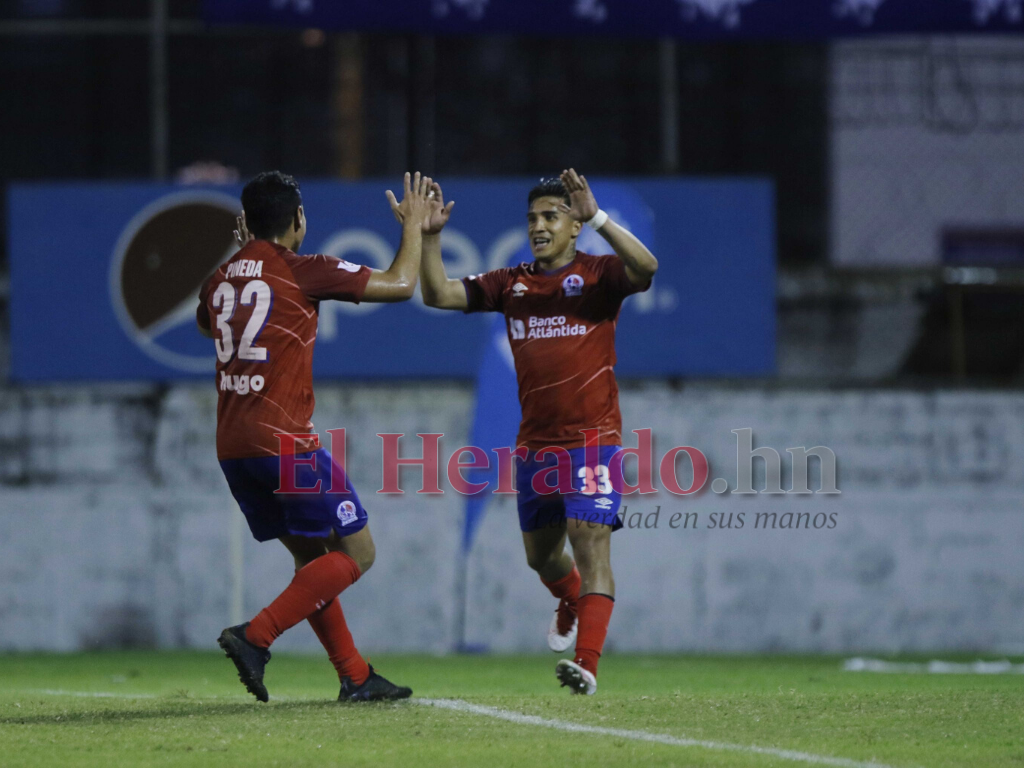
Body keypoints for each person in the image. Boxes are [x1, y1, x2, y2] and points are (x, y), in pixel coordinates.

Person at [412, 169, 658, 695]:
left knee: (589, 543)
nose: (539, 226)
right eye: (532, 219)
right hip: (536, 448)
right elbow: (437, 295)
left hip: (593, 439)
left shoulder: (599, 276)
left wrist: (600, 218)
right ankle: (568, 598)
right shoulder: (511, 283)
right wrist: (430, 237)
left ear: (574, 225)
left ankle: (587, 664)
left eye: (551, 216)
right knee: (541, 557)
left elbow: (647, 267)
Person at [196, 170, 433, 702]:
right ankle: (255, 637)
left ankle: (354, 675)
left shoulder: (221, 279)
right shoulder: (305, 270)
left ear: (247, 222)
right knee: (358, 552)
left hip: (233, 448)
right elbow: (400, 285)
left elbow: (207, 324)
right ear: (298, 220)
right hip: (283, 443)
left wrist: (242, 259)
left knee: (312, 561)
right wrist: (414, 226)